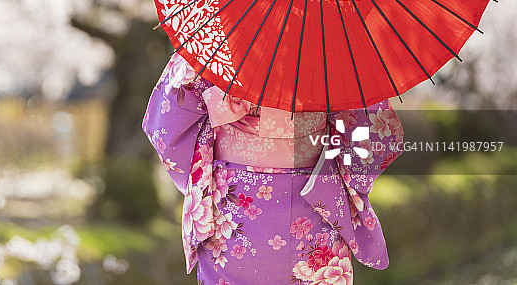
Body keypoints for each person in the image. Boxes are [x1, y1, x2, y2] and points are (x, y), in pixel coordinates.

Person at [143, 53, 404, 284]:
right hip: (317, 197)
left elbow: (165, 127)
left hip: (232, 202)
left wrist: (199, 172)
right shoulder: (334, 42)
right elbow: (375, 136)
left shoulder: (215, 36)